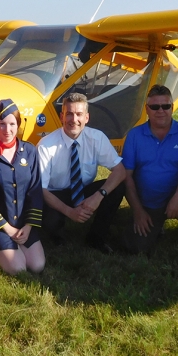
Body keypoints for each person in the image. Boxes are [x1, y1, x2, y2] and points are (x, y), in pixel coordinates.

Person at [37, 92, 126, 253]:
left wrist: (98, 196)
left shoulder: (97, 138)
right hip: (55, 193)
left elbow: (120, 171)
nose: (74, 120)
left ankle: (96, 238)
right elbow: (40, 189)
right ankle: (58, 239)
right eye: (69, 114)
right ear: (61, 117)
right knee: (51, 220)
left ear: (87, 118)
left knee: (118, 187)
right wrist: (70, 212)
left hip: (84, 190)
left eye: (79, 114)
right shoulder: (46, 145)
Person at [122, 84, 178, 254]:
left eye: (166, 106)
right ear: (147, 109)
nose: (161, 110)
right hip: (146, 202)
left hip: (175, 196)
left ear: (172, 107)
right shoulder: (134, 135)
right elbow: (126, 175)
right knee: (135, 248)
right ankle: (155, 224)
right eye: (154, 106)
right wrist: (138, 211)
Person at [0, 99, 46, 275]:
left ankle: (12, 250)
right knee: (19, 268)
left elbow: (35, 191)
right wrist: (8, 229)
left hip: (23, 224)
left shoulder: (30, 151)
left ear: (18, 124)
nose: (7, 130)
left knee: (37, 265)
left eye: (12, 124)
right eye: (3, 124)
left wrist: (28, 226)